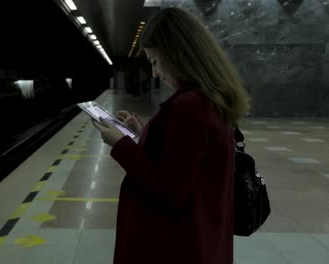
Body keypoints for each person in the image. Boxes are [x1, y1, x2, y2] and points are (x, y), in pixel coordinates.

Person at [92, 7, 251, 264]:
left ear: (178, 54)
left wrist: (121, 145)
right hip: (201, 240)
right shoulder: (210, 98)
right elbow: (187, 159)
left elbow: (168, 191)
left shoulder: (190, 106)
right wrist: (143, 133)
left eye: (155, 61)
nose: (154, 73)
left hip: (174, 247)